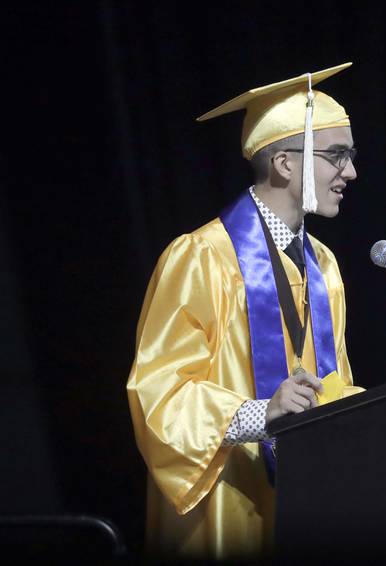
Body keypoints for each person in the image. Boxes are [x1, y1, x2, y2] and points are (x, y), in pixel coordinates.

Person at [126, 62, 363, 560]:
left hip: (306, 503)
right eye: (337, 155)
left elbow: (335, 380)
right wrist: (261, 414)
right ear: (285, 164)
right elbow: (159, 395)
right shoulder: (201, 258)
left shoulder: (324, 265)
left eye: (351, 156)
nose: (351, 172)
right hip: (224, 502)